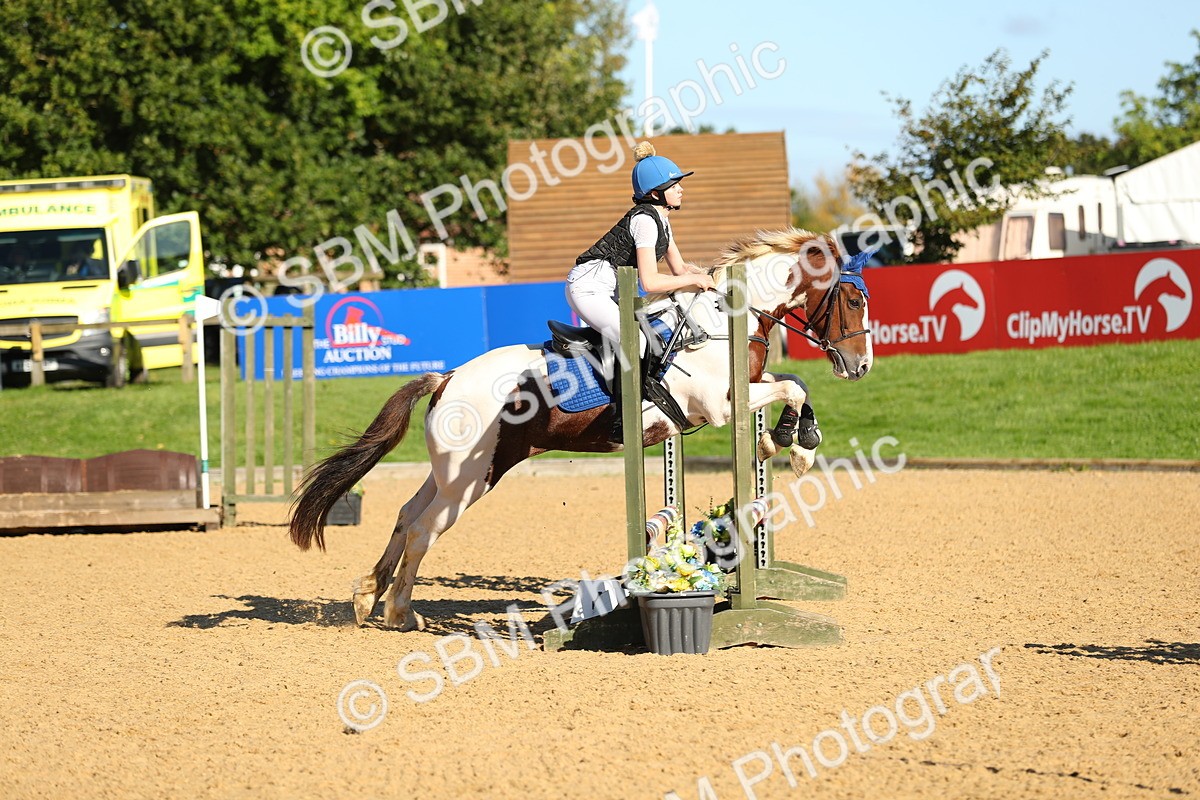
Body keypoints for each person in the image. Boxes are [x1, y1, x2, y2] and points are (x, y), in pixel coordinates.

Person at [566, 141, 715, 352]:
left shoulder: (661, 220)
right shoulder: (644, 221)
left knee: (650, 335)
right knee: (638, 342)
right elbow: (650, 283)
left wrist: (712, 277)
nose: (681, 189)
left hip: (610, 288)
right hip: (589, 289)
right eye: (674, 186)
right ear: (655, 194)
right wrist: (695, 279)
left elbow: (680, 269)